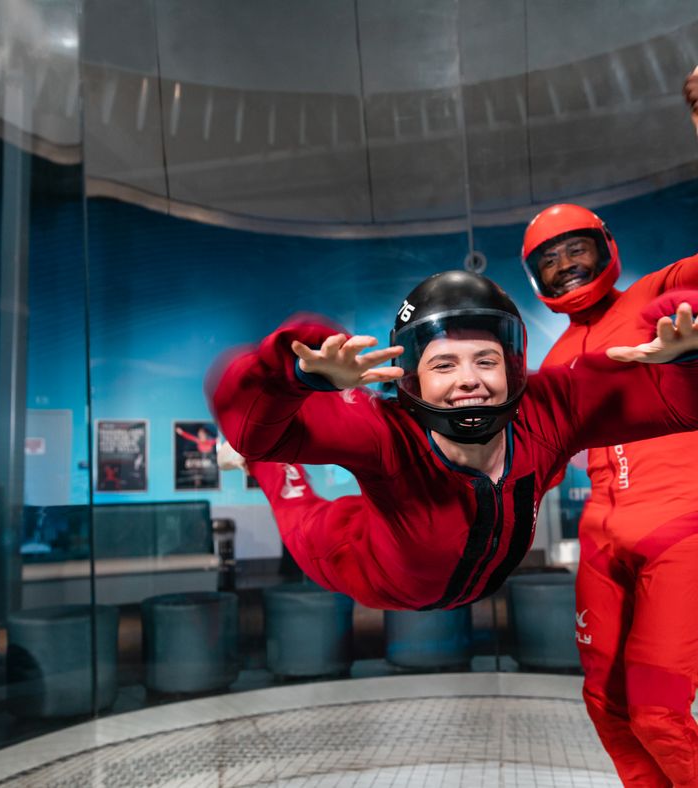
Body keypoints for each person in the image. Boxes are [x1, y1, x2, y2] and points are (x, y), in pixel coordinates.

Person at [206, 269, 698, 617]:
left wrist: (687, 358)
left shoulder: (550, 410)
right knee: (290, 493)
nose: (470, 381)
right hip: (357, 559)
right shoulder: (385, 432)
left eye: (485, 360)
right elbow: (256, 425)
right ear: (414, 378)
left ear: (511, 367)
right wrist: (293, 374)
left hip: (440, 566)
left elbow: (669, 403)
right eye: (444, 365)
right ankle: (258, 469)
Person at [518, 70, 698, 788]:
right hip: (600, 535)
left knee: (658, 716)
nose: (567, 270)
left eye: (577, 252)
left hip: (679, 527)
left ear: (607, 247)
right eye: (549, 263)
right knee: (605, 706)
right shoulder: (555, 360)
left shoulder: (661, 293)